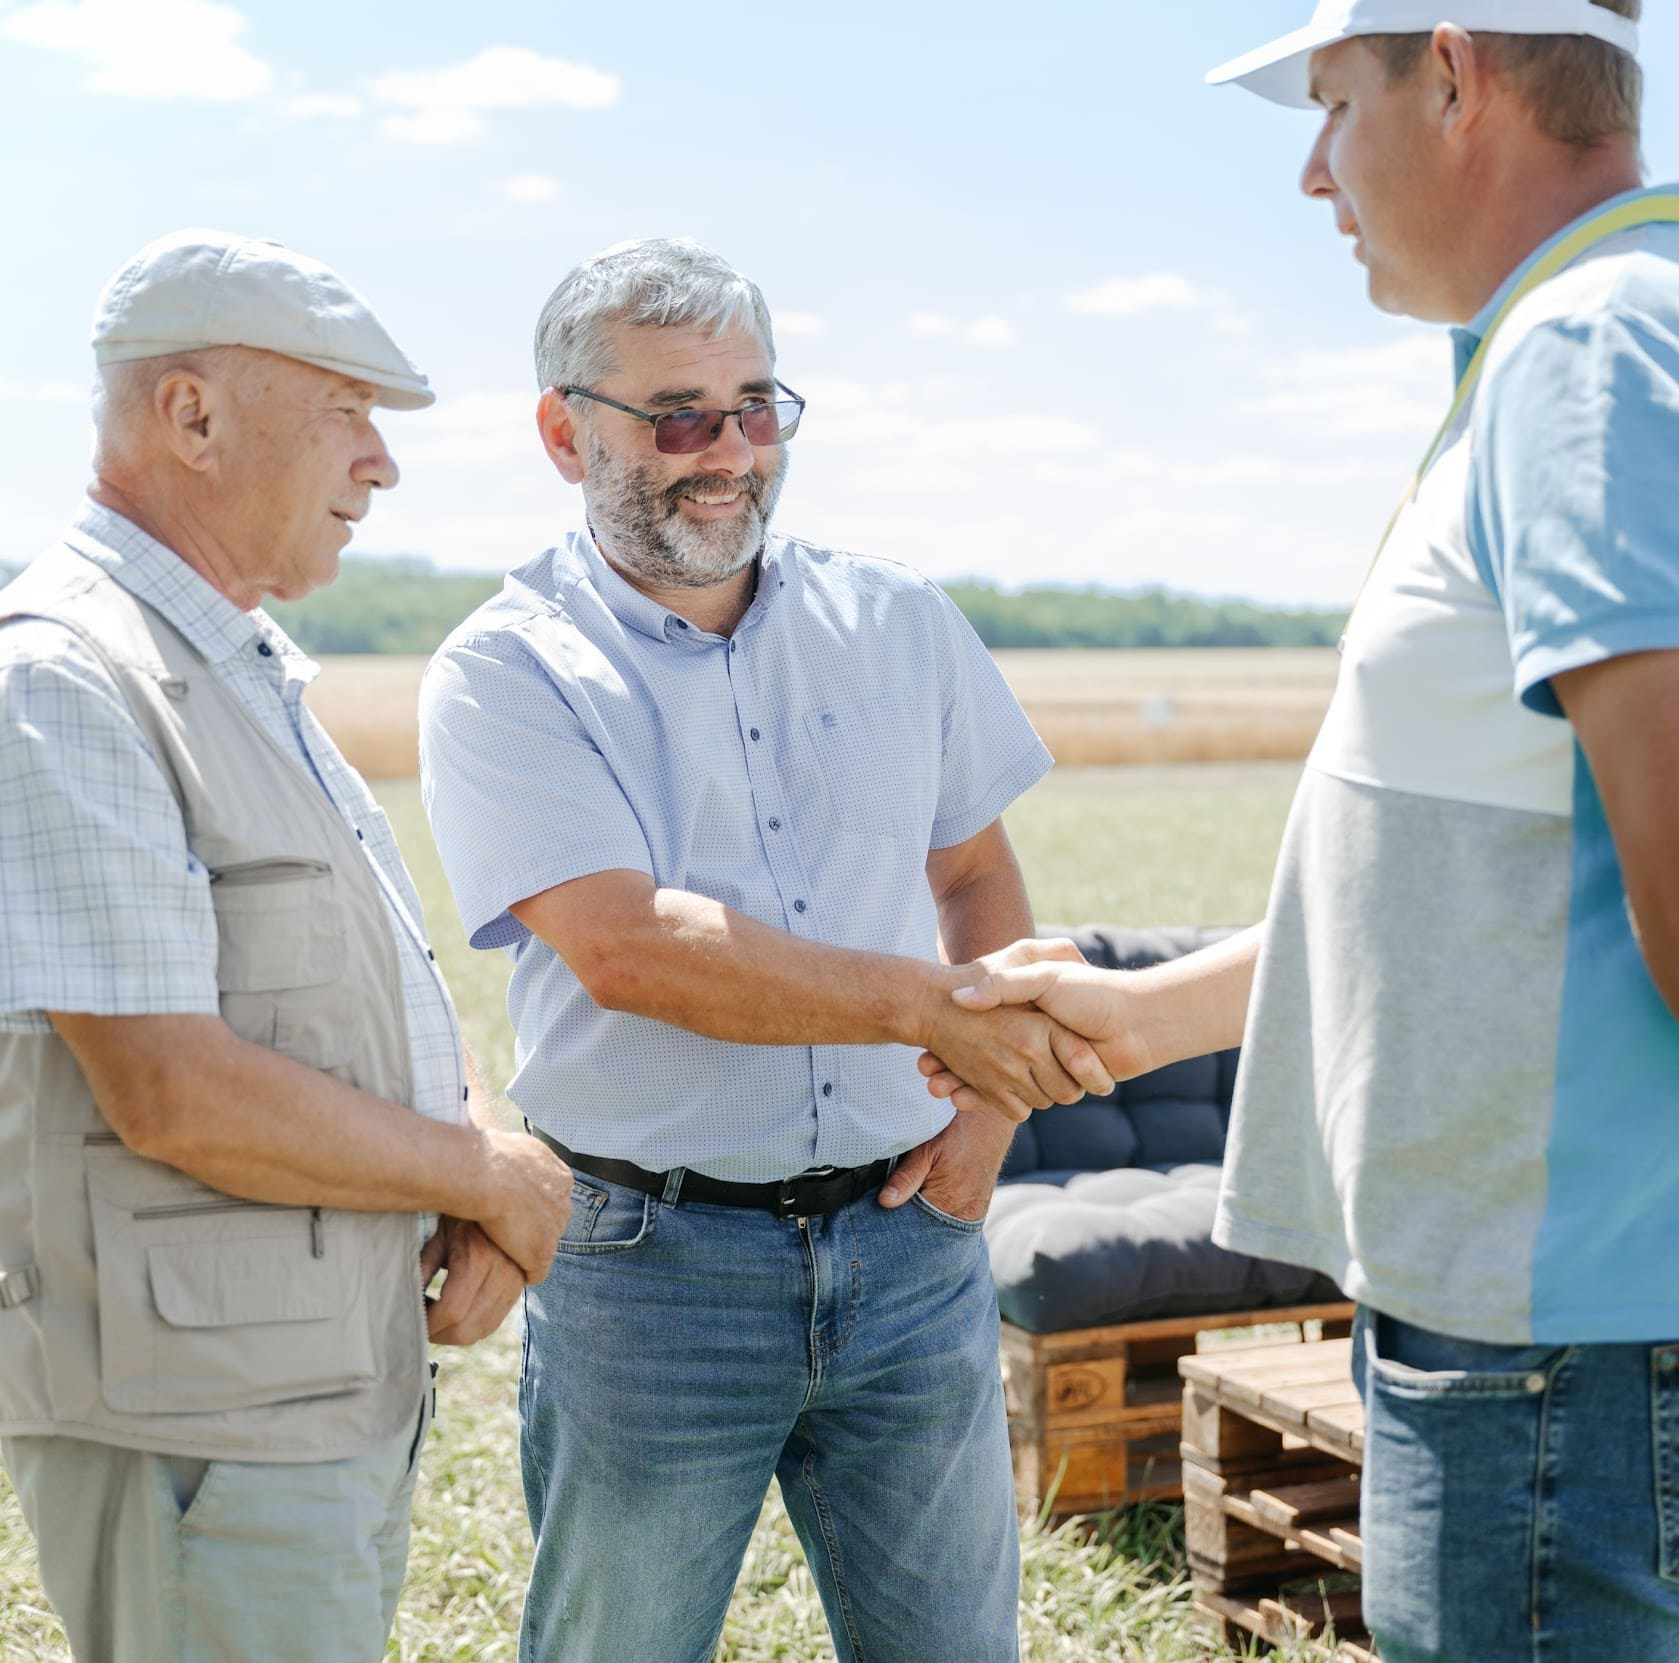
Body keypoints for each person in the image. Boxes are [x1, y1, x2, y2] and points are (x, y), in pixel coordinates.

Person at [924, 4, 1679, 1656]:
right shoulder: (1602, 338)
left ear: (1453, 74)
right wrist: (1144, 1017)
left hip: (1572, 1328)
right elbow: (1487, 871)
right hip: (1566, 1323)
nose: (1313, 174)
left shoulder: (1601, 354)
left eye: (1332, 105)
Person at [0, 228, 572, 1663]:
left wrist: (464, 1139)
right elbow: (174, 1091)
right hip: (199, 1415)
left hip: (294, 1387)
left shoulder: (222, 663)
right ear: (189, 416)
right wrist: (486, 1176)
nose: (381, 463)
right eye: (346, 411)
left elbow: (356, 983)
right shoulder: (59, 679)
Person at [417, 237, 1107, 1663]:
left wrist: (985, 1118)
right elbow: (630, 949)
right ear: (565, 433)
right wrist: (930, 1011)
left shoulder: (900, 619)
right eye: (678, 417)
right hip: (651, 1271)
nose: (728, 452)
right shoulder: (507, 668)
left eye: (755, 407)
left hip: (913, 1247)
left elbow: (976, 871)